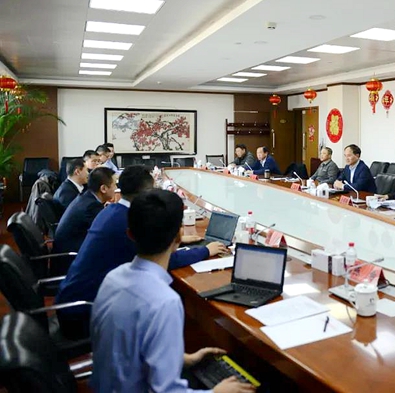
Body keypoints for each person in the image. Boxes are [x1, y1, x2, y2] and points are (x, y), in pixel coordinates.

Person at [90, 189, 253, 393]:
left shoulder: (112, 278)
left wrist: (180, 359)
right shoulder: (164, 302)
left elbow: (125, 348)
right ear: (179, 236)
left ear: (130, 234)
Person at [55, 165, 225, 340]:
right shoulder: (127, 221)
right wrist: (205, 250)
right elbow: (163, 259)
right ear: (146, 194)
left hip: (75, 300)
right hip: (83, 314)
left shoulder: (113, 211)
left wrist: (176, 240)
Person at [53, 167, 117, 259]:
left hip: (71, 248)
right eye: (114, 185)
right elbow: (106, 232)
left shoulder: (87, 197)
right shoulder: (92, 206)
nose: (116, 189)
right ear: (103, 188)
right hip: (72, 257)